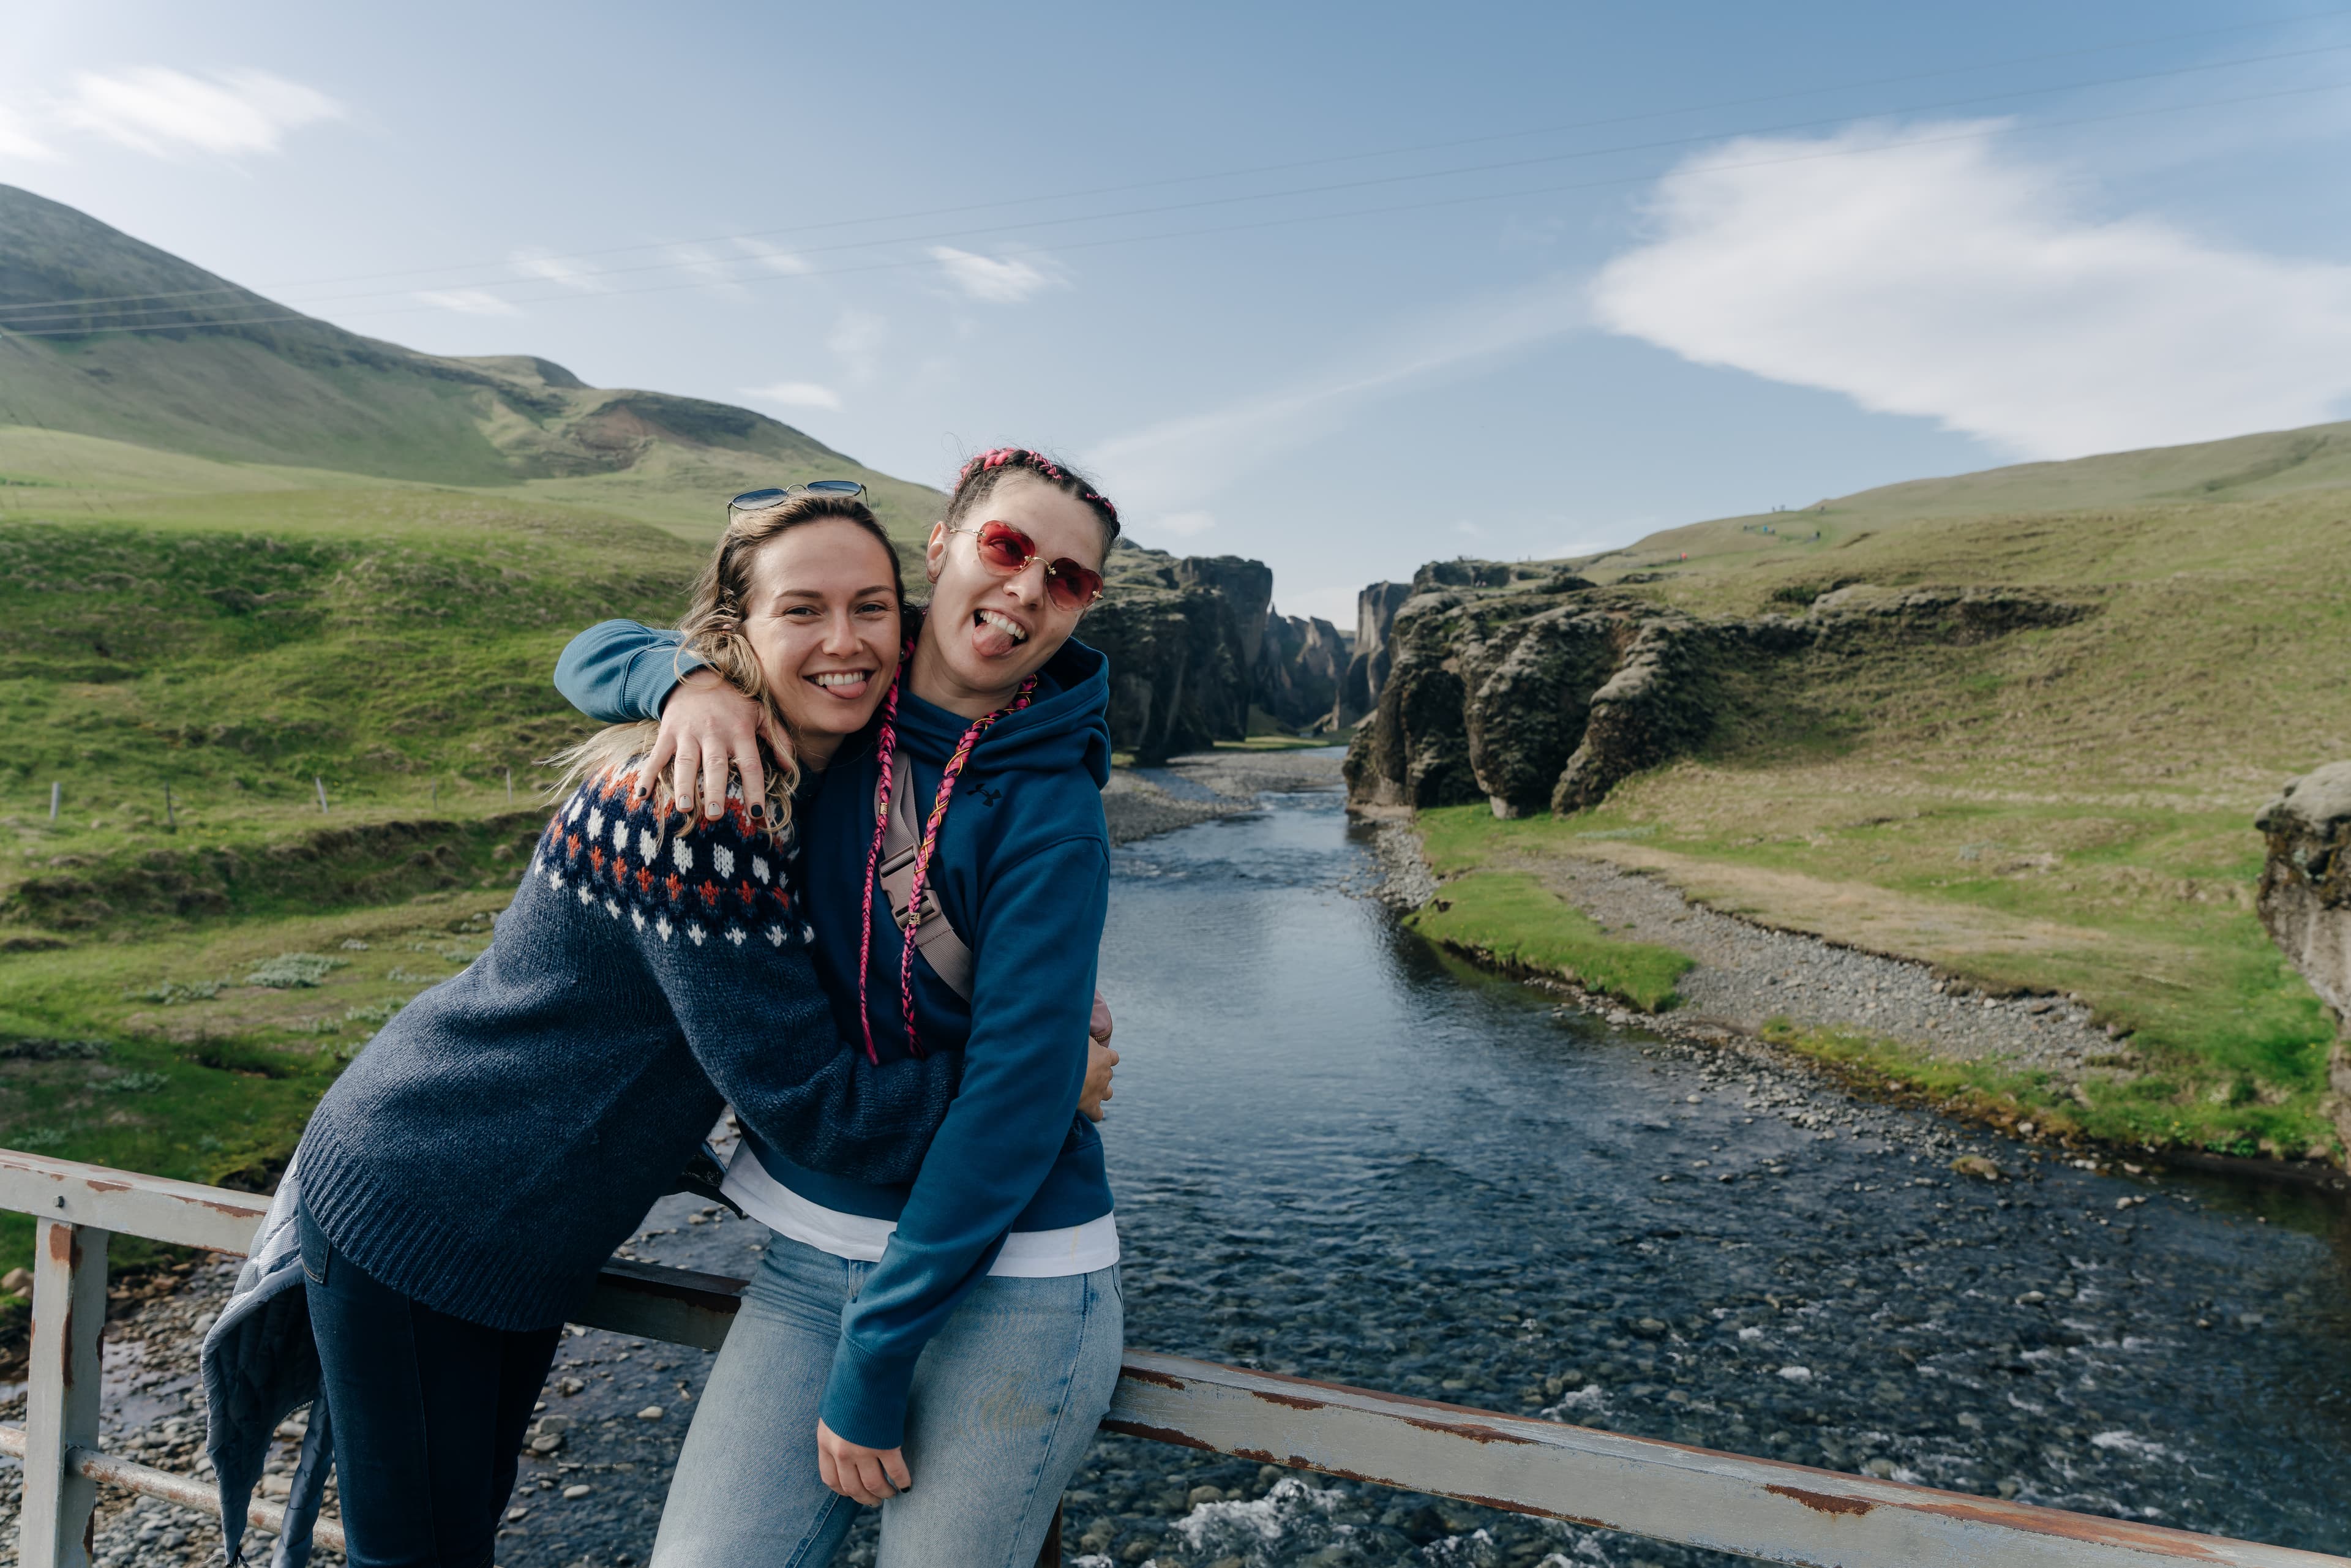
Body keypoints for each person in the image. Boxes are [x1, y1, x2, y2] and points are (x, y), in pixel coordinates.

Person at [206, 487, 1063, 1568]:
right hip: (427, 1197)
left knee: (456, 1522)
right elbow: (814, 1108)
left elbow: (603, 650)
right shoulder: (699, 809)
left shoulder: (824, 765)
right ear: (735, 631)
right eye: (802, 610)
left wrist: (684, 678)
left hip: (513, 1217)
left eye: (872, 608)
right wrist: (1035, 1082)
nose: (845, 641)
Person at [552, 447, 1125, 1567]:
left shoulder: (1054, 812)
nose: (1023, 591)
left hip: (1019, 1282)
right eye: (1007, 547)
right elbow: (587, 652)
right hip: (814, 1262)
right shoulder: (840, 695)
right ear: (943, 550)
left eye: (1067, 580)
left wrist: (878, 1353)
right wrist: (689, 685)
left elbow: (1015, 1101)